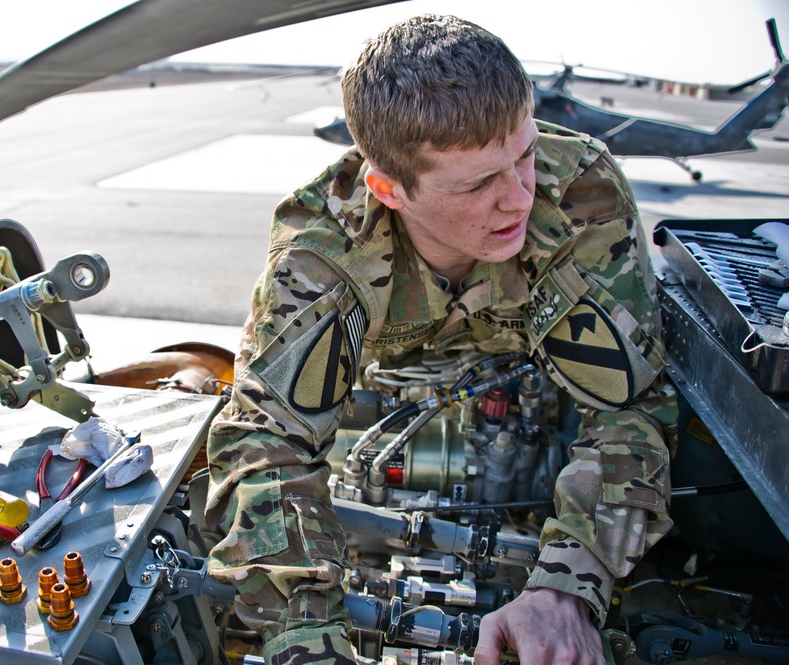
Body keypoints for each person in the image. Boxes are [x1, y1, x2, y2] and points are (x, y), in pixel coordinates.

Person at [205, 14, 676, 665]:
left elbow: (629, 405)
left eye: (524, 155)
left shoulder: (578, 193)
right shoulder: (324, 244)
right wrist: (304, 635)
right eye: (478, 183)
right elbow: (265, 437)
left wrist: (567, 586)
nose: (517, 198)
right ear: (388, 189)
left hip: (535, 403)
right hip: (388, 408)